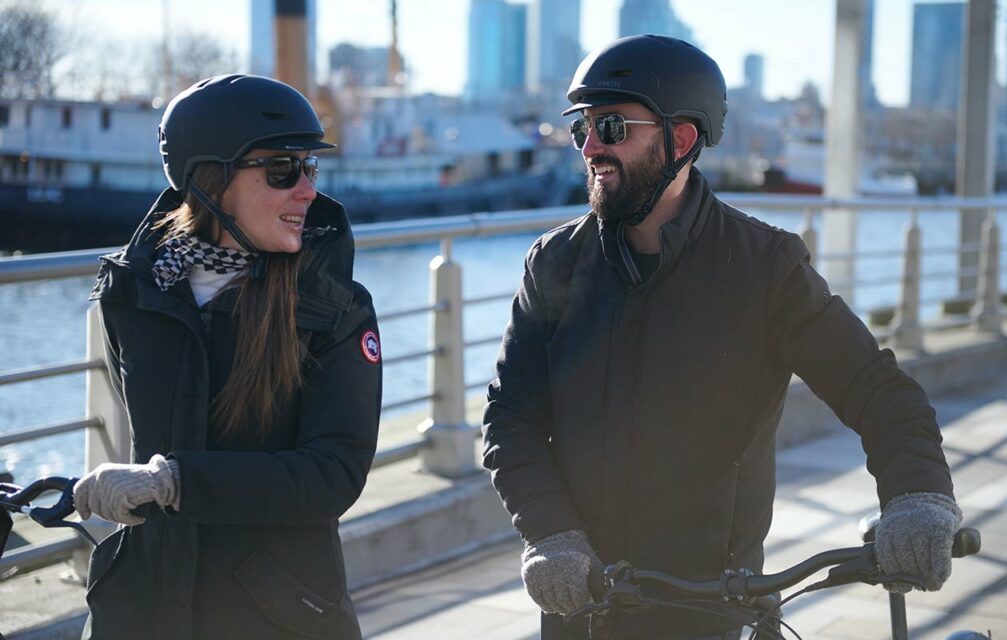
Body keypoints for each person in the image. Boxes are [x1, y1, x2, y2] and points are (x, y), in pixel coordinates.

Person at [482, 35, 961, 639]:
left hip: (711, 607)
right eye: (582, 129)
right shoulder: (552, 263)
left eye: (610, 126)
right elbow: (510, 414)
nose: (591, 148)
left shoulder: (765, 267)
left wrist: (917, 496)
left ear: (681, 141)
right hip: (580, 600)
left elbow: (876, 387)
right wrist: (552, 535)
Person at [73, 74, 381, 640]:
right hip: (148, 608)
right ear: (210, 178)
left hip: (276, 613)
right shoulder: (131, 293)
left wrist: (171, 482)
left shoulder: (335, 308)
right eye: (282, 170)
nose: (307, 191)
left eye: (310, 168)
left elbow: (333, 475)